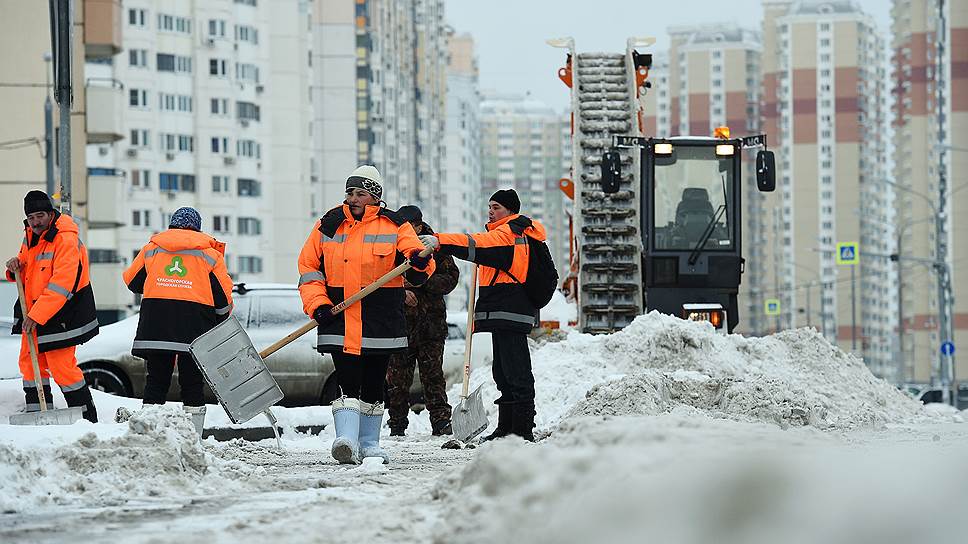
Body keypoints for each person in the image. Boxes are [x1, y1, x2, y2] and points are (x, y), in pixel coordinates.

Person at [297, 165, 436, 464]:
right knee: (347, 377)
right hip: (338, 314)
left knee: (374, 381)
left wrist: (419, 259)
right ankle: (346, 439)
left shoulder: (395, 225)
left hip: (380, 316)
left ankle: (370, 443)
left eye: (361, 193)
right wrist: (317, 303)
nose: (354, 198)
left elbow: (417, 258)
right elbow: (309, 268)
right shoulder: (329, 224)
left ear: (375, 198)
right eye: (350, 192)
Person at [421, 189, 545, 441]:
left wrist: (439, 240)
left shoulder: (508, 233)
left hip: (511, 309)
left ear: (510, 210)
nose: (490, 211)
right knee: (503, 371)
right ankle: (506, 427)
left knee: (516, 371)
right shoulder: (509, 233)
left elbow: (474, 243)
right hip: (506, 310)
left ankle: (521, 429)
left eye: (496, 206)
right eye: (489, 206)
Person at [122, 207, 233, 435]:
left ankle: (147, 433)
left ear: (172, 225)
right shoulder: (210, 254)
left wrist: (161, 282)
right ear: (197, 228)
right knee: (192, 384)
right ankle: (193, 437)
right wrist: (220, 319)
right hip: (194, 329)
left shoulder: (152, 249)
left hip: (156, 324)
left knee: (156, 381)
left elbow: (132, 281)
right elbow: (222, 300)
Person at [5, 191, 99, 422]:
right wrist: (15, 265)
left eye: (40, 216)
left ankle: (87, 420)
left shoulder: (65, 239)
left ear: (50, 214)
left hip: (63, 313)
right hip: (35, 312)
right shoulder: (30, 236)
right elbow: (28, 267)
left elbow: (62, 284)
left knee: (62, 366)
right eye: (31, 217)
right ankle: (38, 414)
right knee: (29, 364)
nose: (36, 222)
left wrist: (37, 315)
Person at [385, 205, 459, 437]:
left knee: (433, 376)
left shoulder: (435, 246)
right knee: (397, 378)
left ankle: (440, 422)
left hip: (431, 326)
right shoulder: (393, 245)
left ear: (419, 225)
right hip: (400, 325)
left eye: (410, 227)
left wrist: (421, 282)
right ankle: (397, 425)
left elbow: (450, 279)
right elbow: (380, 281)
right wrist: (399, 293)